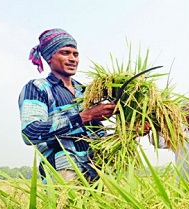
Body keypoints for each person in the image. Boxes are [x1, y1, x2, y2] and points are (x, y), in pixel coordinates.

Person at [18, 28, 116, 182]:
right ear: (50, 57)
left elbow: (98, 134)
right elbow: (29, 132)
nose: (73, 59)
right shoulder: (38, 88)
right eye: (65, 53)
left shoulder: (85, 91)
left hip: (97, 170)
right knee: (67, 207)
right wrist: (85, 116)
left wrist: (130, 132)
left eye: (75, 54)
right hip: (64, 172)